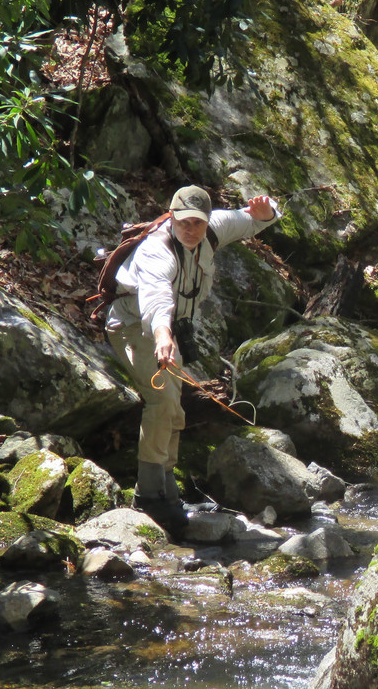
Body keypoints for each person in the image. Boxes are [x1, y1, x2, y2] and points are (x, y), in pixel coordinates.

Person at [106, 185, 281, 538]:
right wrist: (163, 337)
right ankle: (148, 495)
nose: (191, 229)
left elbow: (251, 220)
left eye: (197, 223)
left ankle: (168, 489)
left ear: (206, 221)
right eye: (183, 222)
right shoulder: (156, 251)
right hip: (134, 327)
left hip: (170, 331)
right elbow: (156, 299)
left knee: (175, 406)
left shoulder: (214, 228)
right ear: (172, 217)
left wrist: (267, 213)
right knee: (161, 400)